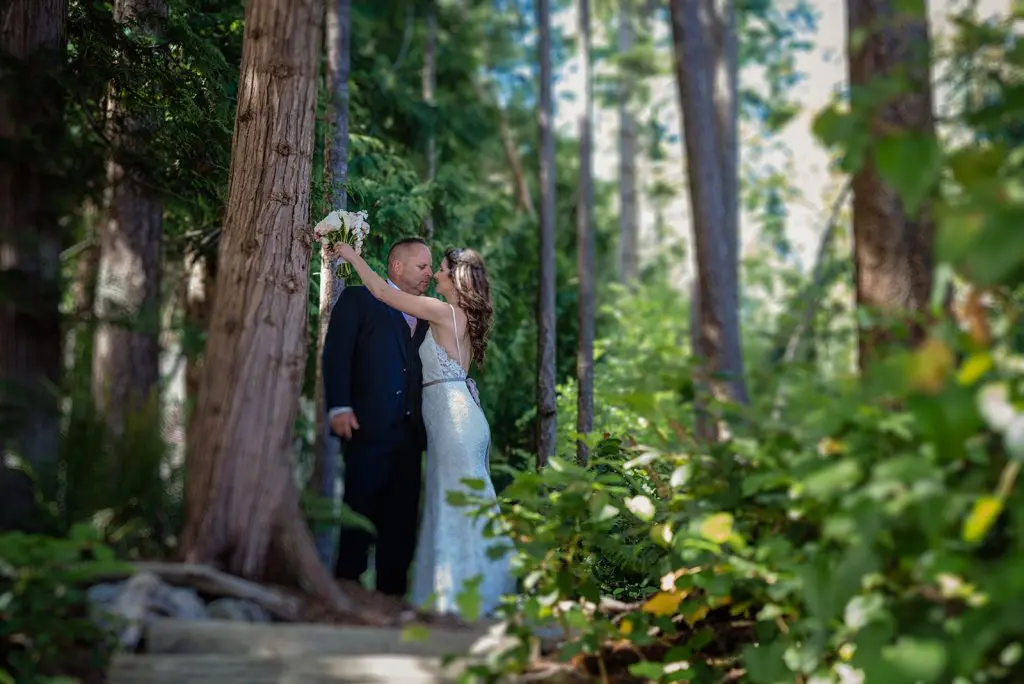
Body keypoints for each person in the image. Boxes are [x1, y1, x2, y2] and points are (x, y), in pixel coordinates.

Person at [336, 241, 514, 618]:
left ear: (456, 278)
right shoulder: (462, 316)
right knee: (462, 502)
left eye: (442, 270)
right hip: (461, 417)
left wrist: (352, 257)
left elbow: (383, 292)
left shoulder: (442, 311)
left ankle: (459, 601)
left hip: (453, 421)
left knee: (454, 503)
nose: (435, 275)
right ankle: (466, 593)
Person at [322, 237, 433, 598]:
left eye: (431, 267)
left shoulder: (431, 313)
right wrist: (339, 406)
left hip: (411, 436)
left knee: (401, 523)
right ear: (397, 267)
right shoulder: (358, 299)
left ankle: (392, 600)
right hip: (366, 427)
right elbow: (337, 354)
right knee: (359, 512)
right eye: (422, 266)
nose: (429, 274)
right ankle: (347, 592)